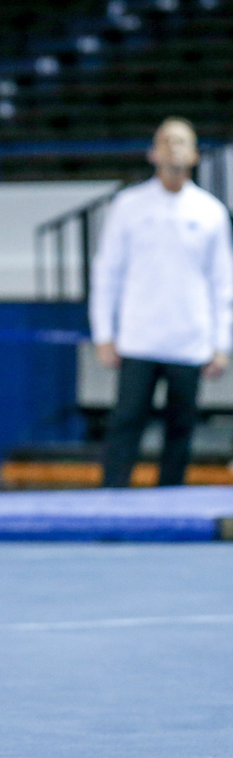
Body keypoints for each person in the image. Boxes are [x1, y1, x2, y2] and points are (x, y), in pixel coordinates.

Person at [90, 117, 232, 487]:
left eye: (183, 141)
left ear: (196, 154)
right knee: (126, 423)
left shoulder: (211, 212)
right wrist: (104, 334)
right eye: (166, 141)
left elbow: (223, 283)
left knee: (180, 430)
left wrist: (222, 345)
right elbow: (107, 273)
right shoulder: (128, 206)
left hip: (189, 342)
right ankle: (110, 503)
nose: (174, 147)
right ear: (153, 152)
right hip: (139, 338)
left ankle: (172, 502)